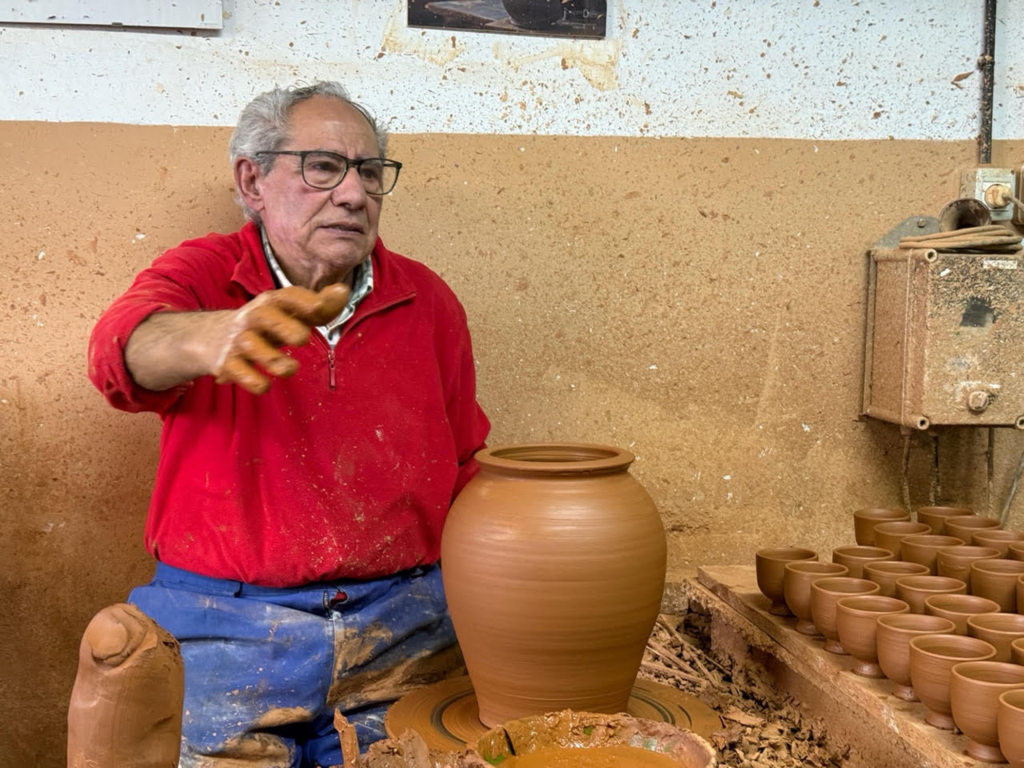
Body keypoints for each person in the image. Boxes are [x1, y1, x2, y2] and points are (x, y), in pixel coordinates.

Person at [87, 81, 491, 767]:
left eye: (369, 172)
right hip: (225, 626)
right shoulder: (206, 276)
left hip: (402, 627)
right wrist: (206, 337)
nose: (355, 194)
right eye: (323, 167)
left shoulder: (428, 301)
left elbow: (466, 467)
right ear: (253, 180)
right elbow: (119, 352)